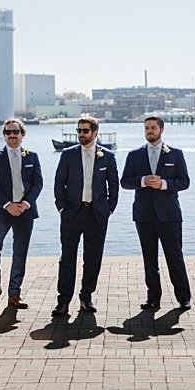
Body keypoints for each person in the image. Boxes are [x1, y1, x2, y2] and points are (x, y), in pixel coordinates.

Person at [121, 114, 192, 312]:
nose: (149, 131)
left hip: (169, 215)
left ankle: (184, 298)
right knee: (149, 258)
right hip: (144, 215)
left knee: (174, 257)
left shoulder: (175, 154)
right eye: (146, 128)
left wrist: (164, 184)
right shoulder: (134, 155)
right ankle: (153, 298)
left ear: (161, 130)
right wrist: (143, 181)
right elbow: (125, 181)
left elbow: (184, 182)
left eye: (153, 127)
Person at [52, 115, 120, 318]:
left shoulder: (107, 156)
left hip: (97, 215)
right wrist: (61, 207)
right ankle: (63, 302)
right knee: (67, 259)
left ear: (95, 133)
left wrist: (109, 209)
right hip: (72, 214)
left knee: (93, 259)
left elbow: (113, 185)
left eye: (85, 131)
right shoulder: (68, 154)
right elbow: (59, 183)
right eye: (79, 130)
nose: (81, 134)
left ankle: (86, 297)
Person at [0, 118, 42, 311]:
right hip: (2, 211)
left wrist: (25, 204)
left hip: (25, 212)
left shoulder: (32, 156)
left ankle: (14, 294)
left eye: (16, 132)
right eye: (8, 132)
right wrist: (7, 205)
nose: (12, 136)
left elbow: (37, 183)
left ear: (22, 134)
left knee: (20, 253)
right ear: (4, 135)